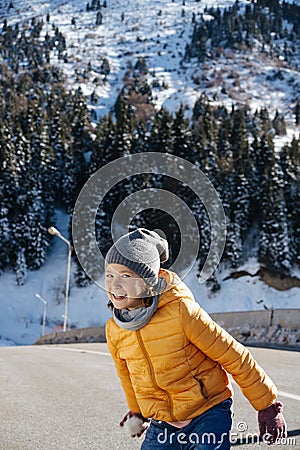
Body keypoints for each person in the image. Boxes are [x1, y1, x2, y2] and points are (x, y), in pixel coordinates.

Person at [105, 228, 287, 449]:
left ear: (148, 282)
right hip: (164, 422)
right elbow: (128, 377)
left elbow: (234, 355)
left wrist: (267, 404)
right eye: (109, 275)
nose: (115, 285)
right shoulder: (115, 329)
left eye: (126, 276)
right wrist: (138, 412)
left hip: (207, 412)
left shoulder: (182, 312)